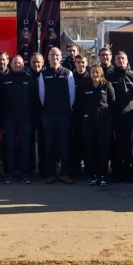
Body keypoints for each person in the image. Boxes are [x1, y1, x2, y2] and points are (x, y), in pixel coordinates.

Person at [0, 55, 35, 184]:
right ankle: (8, 173)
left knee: (25, 146)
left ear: (23, 64)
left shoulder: (29, 79)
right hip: (9, 120)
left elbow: (34, 99)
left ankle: (26, 173)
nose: (17, 65)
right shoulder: (5, 79)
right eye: (15, 63)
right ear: (11, 65)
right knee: (9, 147)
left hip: (25, 119)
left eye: (20, 63)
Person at [39, 47, 76, 184]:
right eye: (52, 55)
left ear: (61, 57)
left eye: (57, 55)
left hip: (64, 115)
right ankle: (50, 174)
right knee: (49, 144)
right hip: (48, 115)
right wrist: (49, 107)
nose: (54, 57)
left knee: (65, 144)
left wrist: (65, 108)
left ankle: (65, 173)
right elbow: (41, 95)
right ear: (48, 58)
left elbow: (72, 94)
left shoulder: (68, 73)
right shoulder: (43, 74)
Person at [78, 63, 116, 187]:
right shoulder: (86, 86)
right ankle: (93, 174)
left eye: (96, 72)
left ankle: (102, 175)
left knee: (103, 148)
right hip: (89, 122)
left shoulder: (107, 85)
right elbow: (81, 103)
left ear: (101, 73)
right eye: (92, 72)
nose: (94, 74)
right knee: (90, 147)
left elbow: (112, 102)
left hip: (103, 122)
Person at [111, 51, 133, 183]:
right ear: (115, 60)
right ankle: (117, 173)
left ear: (127, 60)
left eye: (123, 58)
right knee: (117, 146)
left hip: (131, 118)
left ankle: (131, 174)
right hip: (116, 118)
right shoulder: (110, 76)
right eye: (118, 59)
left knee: (130, 146)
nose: (121, 61)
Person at [70, 54, 91, 178]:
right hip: (75, 116)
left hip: (89, 116)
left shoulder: (91, 78)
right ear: (75, 64)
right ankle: (76, 170)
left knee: (88, 143)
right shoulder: (71, 77)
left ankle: (88, 170)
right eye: (78, 62)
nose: (81, 64)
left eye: (83, 62)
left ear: (86, 63)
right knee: (75, 143)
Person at [27, 52, 46, 177]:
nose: (36, 64)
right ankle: (29, 167)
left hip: (44, 113)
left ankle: (44, 167)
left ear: (43, 62)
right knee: (28, 141)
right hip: (29, 113)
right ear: (30, 63)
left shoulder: (47, 74)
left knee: (44, 140)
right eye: (33, 62)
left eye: (38, 62)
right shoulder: (26, 75)